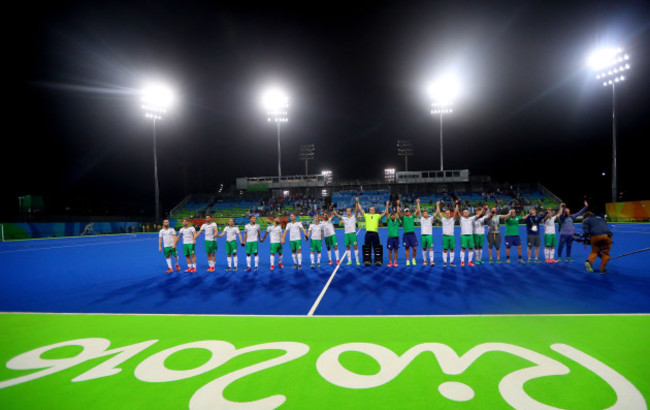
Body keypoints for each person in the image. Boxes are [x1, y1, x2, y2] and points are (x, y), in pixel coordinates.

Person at [356, 197, 389, 265]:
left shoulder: (377, 215)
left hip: (375, 233)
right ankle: (367, 261)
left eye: (373, 210)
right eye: (371, 210)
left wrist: (387, 205)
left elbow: (385, 212)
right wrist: (357, 201)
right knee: (367, 248)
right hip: (368, 233)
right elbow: (360, 209)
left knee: (377, 247)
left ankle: (378, 261)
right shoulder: (366, 215)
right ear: (369, 211)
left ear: (375, 211)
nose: (372, 211)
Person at [434, 200, 459, 267]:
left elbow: (456, 212)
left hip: (451, 236)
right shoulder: (443, 219)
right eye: (446, 213)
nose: (447, 214)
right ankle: (445, 262)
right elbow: (438, 212)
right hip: (445, 236)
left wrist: (456, 204)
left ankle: (451, 262)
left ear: (450, 213)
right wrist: (437, 205)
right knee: (445, 250)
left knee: (452, 249)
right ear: (445, 214)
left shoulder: (452, 219)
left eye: (448, 213)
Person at [397, 200, 418, 266]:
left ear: (409, 212)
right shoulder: (403, 218)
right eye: (406, 211)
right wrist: (398, 204)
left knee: (414, 248)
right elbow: (398, 212)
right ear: (404, 212)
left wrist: (417, 203)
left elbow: (417, 210)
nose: (407, 212)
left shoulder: (412, 216)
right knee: (407, 248)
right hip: (406, 235)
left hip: (412, 234)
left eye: (408, 211)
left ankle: (413, 259)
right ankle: (407, 260)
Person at [415, 199, 435, 266]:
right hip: (423, 235)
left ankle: (432, 261)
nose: (425, 214)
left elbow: (437, 213)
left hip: (429, 235)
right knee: (424, 249)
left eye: (426, 213)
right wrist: (418, 203)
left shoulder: (430, 219)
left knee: (430, 248)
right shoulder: (422, 219)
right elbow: (418, 210)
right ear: (423, 214)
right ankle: (425, 261)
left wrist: (437, 206)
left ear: (428, 214)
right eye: (424, 213)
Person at [385, 201, 401, 267]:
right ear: (390, 216)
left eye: (393, 215)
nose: (392, 216)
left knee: (396, 250)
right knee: (390, 251)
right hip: (390, 238)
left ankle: (395, 262)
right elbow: (386, 213)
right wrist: (387, 205)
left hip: (396, 238)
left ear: (395, 216)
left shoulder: (397, 221)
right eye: (391, 215)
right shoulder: (388, 221)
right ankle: (390, 262)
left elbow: (398, 213)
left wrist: (397, 204)